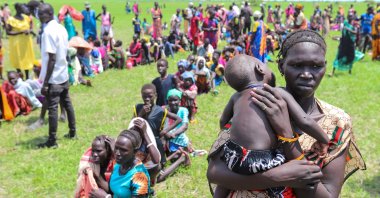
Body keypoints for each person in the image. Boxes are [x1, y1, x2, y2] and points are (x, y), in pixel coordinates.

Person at [207, 30, 365, 197]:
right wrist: (275, 177)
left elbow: (327, 195)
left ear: (325, 66)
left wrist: (286, 134)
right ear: (281, 66)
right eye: (297, 65)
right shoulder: (255, 103)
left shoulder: (337, 122)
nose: (306, 74)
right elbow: (215, 173)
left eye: (316, 66)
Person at [214, 54, 329, 197]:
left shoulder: (235, 97)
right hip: (264, 160)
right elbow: (304, 120)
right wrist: (323, 139)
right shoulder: (277, 92)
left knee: (224, 181)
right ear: (259, 69)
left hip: (235, 156)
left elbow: (223, 122)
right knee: (284, 173)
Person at [37, 4, 76, 148]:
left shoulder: (48, 32)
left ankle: (52, 141)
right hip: (63, 73)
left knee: (52, 109)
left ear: (49, 14)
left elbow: (51, 58)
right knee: (67, 103)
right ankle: (73, 132)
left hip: (54, 77)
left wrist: (46, 82)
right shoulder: (61, 28)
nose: (39, 17)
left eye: (41, 14)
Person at [133, 83, 182, 184]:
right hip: (141, 143)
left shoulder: (160, 110)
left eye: (150, 96)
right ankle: (177, 155)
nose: (147, 99)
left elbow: (178, 119)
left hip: (155, 143)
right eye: (144, 96)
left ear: (155, 95)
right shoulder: (138, 108)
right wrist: (141, 114)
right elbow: (132, 126)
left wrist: (165, 130)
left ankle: (180, 159)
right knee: (137, 169)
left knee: (157, 175)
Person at [89, 130, 151, 198]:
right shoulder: (118, 166)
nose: (117, 153)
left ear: (135, 151)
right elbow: (114, 191)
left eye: (123, 150)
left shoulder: (139, 176)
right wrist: (97, 177)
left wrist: (106, 197)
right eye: (116, 148)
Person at [157, 89, 191, 183]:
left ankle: (181, 156)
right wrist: (165, 134)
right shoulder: (163, 109)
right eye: (170, 100)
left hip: (178, 140)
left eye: (175, 100)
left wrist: (172, 135)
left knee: (174, 159)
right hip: (165, 139)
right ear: (167, 101)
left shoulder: (183, 110)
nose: (173, 103)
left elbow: (184, 126)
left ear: (180, 101)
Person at [6, 3, 35, 80]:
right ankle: (20, 75)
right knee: (18, 58)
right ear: (18, 9)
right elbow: (8, 32)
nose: (25, 9)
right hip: (16, 43)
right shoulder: (11, 20)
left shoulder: (26, 18)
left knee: (26, 58)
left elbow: (31, 27)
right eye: (23, 8)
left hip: (26, 43)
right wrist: (21, 32)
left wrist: (29, 31)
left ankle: (27, 76)